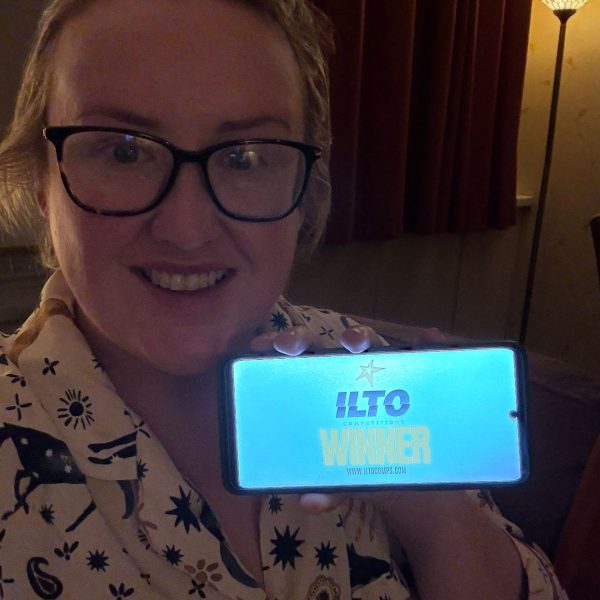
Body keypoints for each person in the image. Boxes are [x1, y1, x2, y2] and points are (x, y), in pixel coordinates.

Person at [0, 1, 567, 598]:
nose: (187, 229)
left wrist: (429, 509)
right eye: (123, 151)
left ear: (302, 193)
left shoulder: (369, 383)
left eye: (244, 157)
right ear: (41, 182)